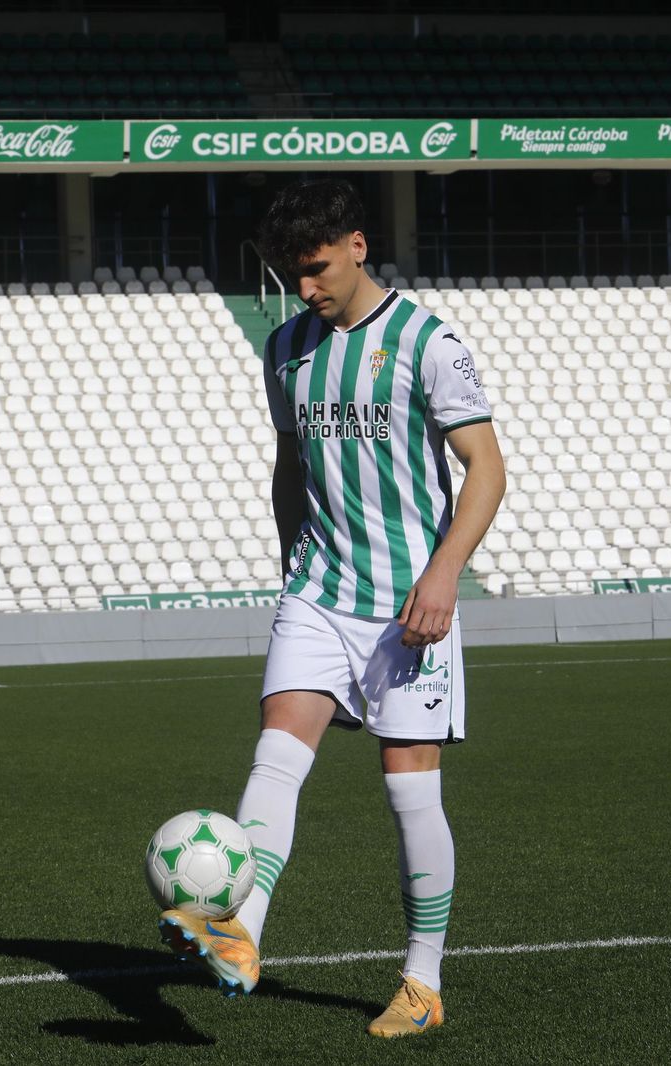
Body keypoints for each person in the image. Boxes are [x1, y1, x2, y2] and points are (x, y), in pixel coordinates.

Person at [158, 178, 505, 1038]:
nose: (304, 288)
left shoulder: (428, 343)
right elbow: (290, 467)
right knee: (279, 743)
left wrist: (444, 575)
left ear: (356, 244)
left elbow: (487, 470)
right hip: (318, 590)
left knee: (408, 793)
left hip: (406, 605)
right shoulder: (285, 346)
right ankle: (241, 931)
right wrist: (290, 566)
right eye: (289, 274)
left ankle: (421, 983)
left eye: (313, 269)